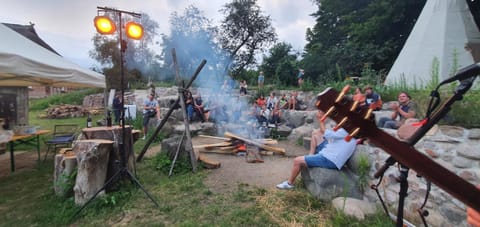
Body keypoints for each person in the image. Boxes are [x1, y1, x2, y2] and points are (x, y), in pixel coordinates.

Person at [276, 110, 357, 189]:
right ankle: (311, 156)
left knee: (297, 161)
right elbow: (330, 133)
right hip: (330, 154)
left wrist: (321, 119)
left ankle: (289, 184)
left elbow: (326, 133)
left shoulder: (346, 131)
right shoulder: (351, 130)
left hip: (330, 159)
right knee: (315, 135)